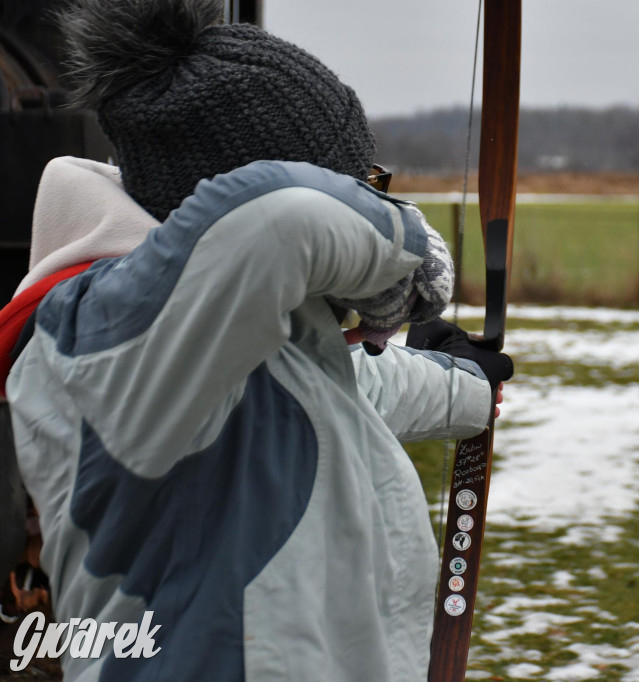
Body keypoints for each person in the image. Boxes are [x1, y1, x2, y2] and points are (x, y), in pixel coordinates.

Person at [0, 0, 512, 679]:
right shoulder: (103, 334)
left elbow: (340, 387)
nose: (371, 201)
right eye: (361, 190)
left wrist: (469, 386)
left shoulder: (219, 339)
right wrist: (405, 250)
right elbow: (279, 218)